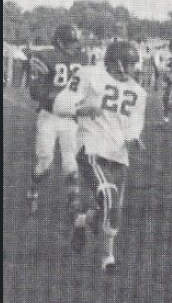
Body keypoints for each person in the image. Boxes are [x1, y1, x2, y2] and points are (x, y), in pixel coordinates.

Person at [52, 40, 147, 273]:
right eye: (131, 63)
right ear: (118, 64)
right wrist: (80, 110)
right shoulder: (89, 74)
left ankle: (81, 221)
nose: (135, 68)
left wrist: (134, 137)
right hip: (91, 148)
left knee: (112, 211)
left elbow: (135, 124)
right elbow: (59, 104)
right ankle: (108, 259)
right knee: (109, 196)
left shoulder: (138, 91)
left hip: (118, 154)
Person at [26, 24, 86, 216]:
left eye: (75, 42)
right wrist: (56, 99)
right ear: (60, 42)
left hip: (70, 118)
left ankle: (74, 203)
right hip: (49, 117)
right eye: (70, 42)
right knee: (45, 161)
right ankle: (33, 191)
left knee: (71, 161)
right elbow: (35, 91)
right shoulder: (46, 57)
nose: (74, 46)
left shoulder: (82, 58)